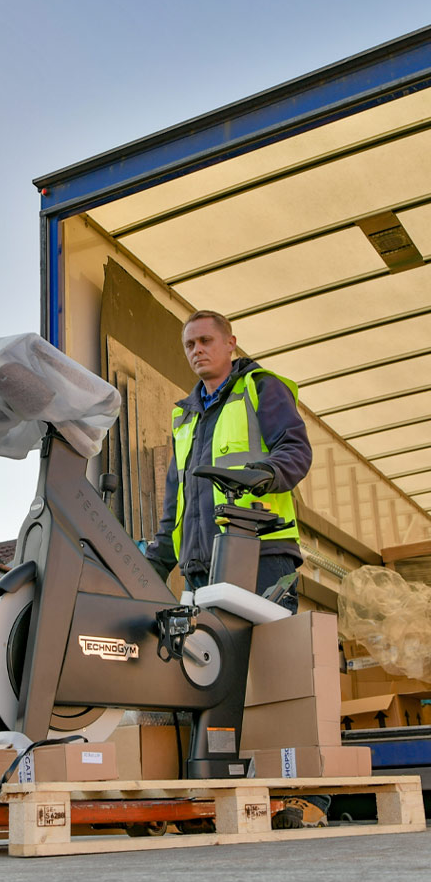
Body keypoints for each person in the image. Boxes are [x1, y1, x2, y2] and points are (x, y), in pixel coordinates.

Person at [144, 309, 327, 828]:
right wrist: (158, 556)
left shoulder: (261, 389)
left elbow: (295, 450)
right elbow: (175, 500)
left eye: (206, 340)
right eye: (189, 344)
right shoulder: (185, 416)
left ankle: (298, 796)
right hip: (205, 567)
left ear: (230, 343)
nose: (197, 350)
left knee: (272, 676)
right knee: (208, 677)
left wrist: (261, 476)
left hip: (263, 550)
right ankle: (214, 797)